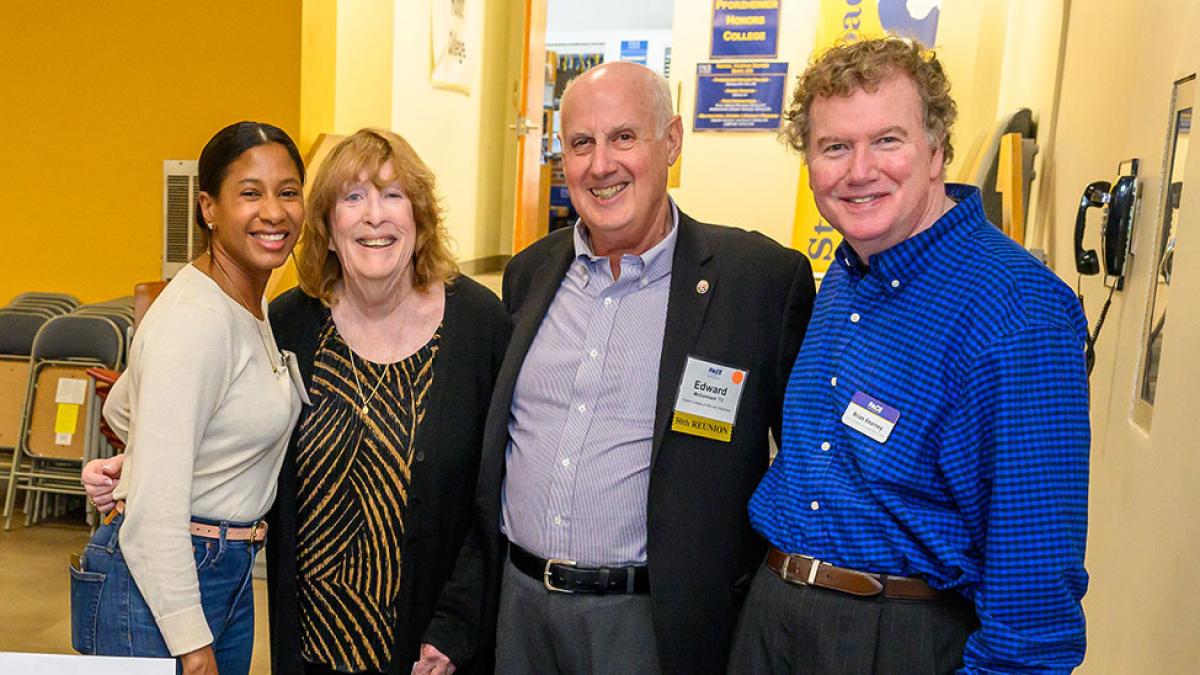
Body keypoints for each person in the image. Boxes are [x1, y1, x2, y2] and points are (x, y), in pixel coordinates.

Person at [86, 128, 509, 675]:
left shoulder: (478, 326)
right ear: (328, 227)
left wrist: (458, 624)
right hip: (297, 633)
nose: (373, 216)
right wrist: (153, 462)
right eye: (352, 198)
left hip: (426, 645)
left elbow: (497, 495)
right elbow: (137, 401)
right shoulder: (293, 319)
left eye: (393, 195)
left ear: (421, 215)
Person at [730, 37, 1090, 673]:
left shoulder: (1018, 312)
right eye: (834, 147)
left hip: (894, 637)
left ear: (937, 151)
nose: (859, 170)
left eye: (887, 141)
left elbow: (1035, 595)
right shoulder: (846, 274)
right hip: (775, 620)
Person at [477, 61, 815, 675]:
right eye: (581, 143)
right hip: (520, 611)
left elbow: (804, 462)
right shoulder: (529, 273)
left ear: (673, 142)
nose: (601, 164)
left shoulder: (757, 282)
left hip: (655, 625)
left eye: (624, 137)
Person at [72, 121, 308, 675]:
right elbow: (154, 512)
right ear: (208, 207)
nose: (273, 212)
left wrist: (148, 454)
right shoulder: (198, 320)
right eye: (250, 193)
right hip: (167, 579)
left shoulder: (241, 302)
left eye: (288, 191)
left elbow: (122, 404)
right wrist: (190, 643)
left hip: (223, 567)